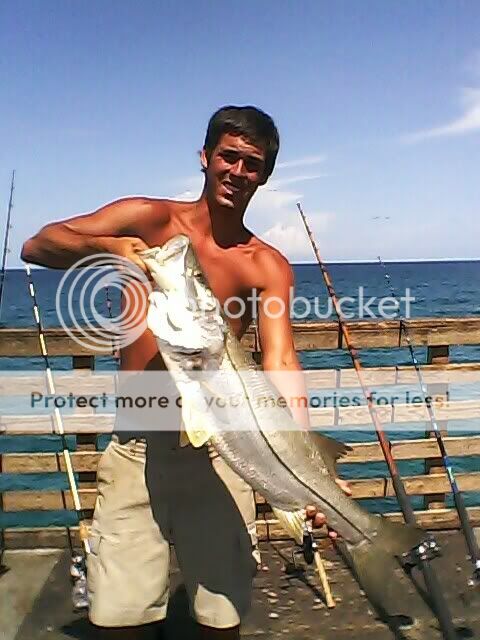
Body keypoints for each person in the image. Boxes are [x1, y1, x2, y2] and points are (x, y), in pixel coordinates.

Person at [21, 105, 349, 640]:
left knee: (221, 622)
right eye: (228, 156)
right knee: (118, 621)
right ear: (205, 156)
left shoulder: (265, 263)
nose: (237, 171)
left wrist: (308, 466)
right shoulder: (147, 219)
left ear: (264, 175)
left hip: (224, 454)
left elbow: (281, 361)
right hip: (137, 450)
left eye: (252, 164)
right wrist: (106, 247)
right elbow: (38, 245)